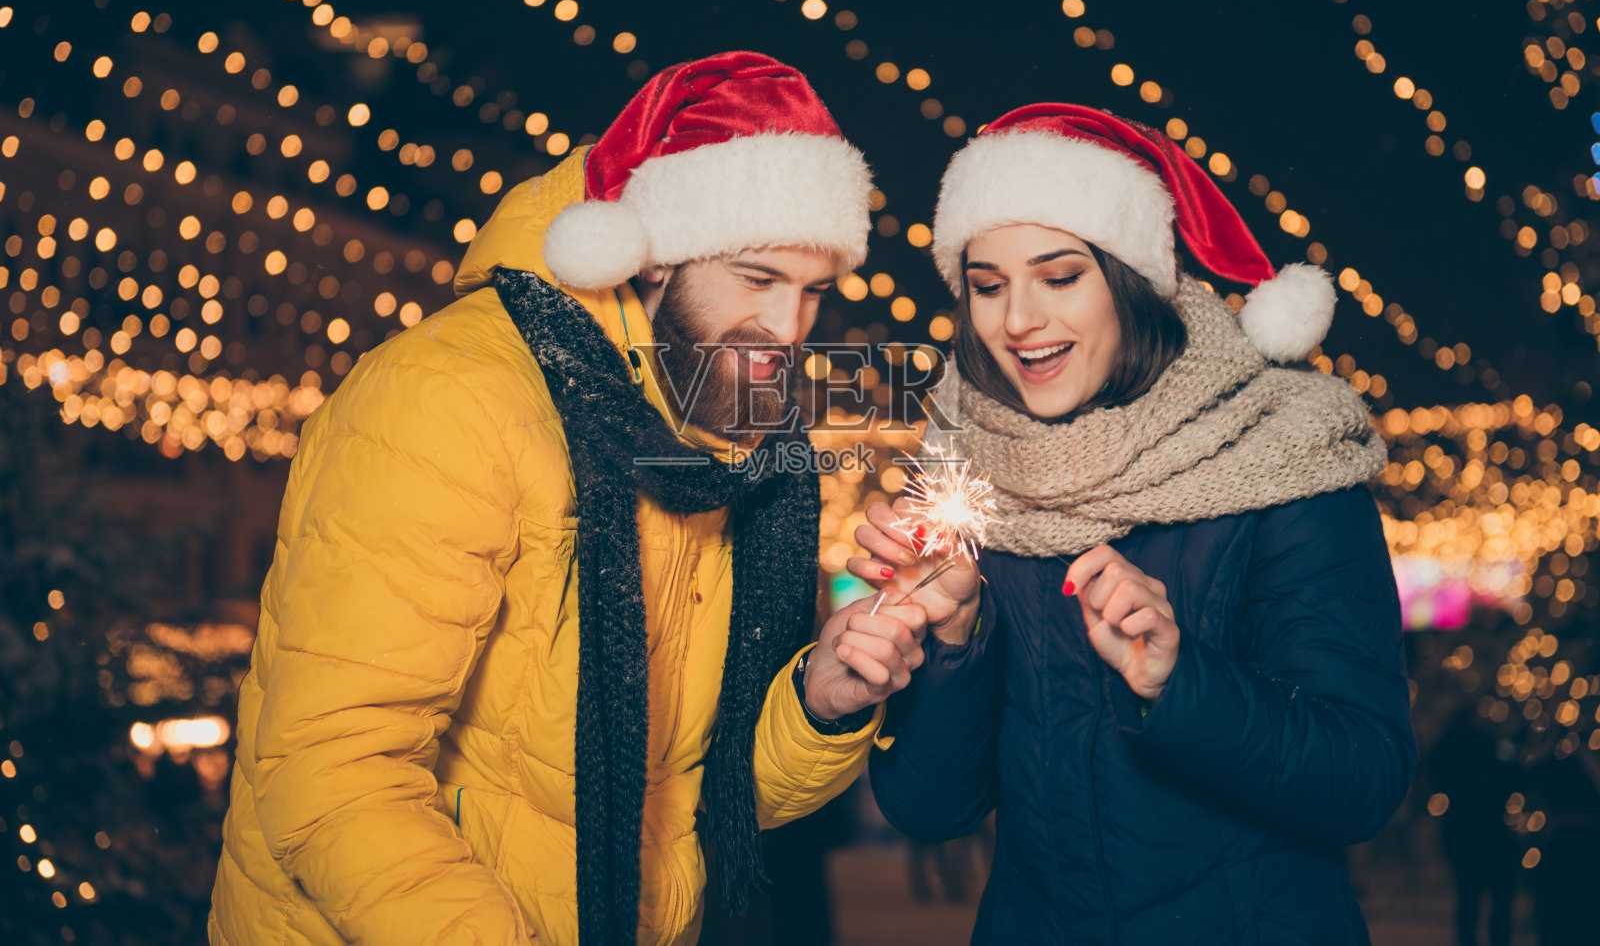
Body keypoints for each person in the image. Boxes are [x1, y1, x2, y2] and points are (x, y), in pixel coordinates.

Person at [209, 52, 931, 946]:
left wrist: (819, 703)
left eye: (812, 292)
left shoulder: (710, 436)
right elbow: (331, 769)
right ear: (653, 258)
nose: (788, 330)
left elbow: (686, 795)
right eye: (756, 278)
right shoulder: (451, 397)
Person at [858, 104, 1418, 944]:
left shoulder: (1281, 459)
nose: (1018, 320)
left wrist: (1178, 678)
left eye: (1059, 276)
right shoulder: (966, 474)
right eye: (988, 285)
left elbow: (1363, 781)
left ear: (1129, 279)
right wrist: (950, 643)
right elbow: (931, 809)